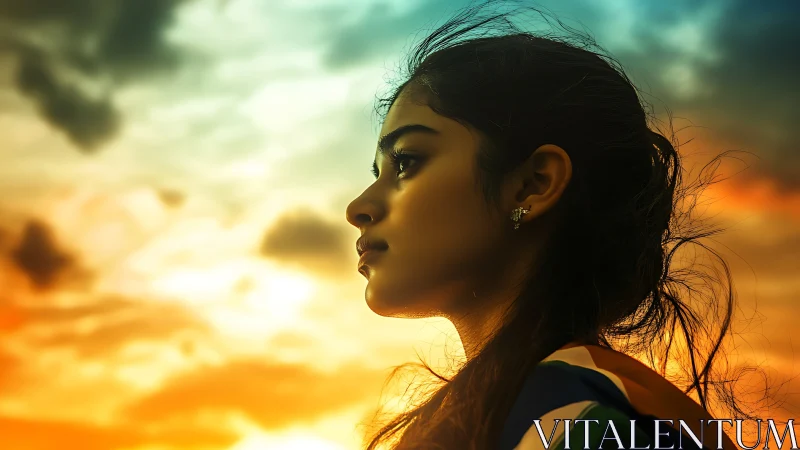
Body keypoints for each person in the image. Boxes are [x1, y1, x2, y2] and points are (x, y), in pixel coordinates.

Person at [345, 2, 755, 449]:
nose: (359, 207)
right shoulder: (521, 408)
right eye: (376, 173)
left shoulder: (576, 420)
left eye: (406, 162)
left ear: (532, 185)